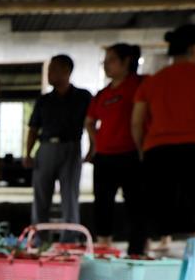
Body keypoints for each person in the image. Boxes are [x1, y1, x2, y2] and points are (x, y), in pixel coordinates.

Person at [133, 23, 195, 245]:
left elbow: (136, 123)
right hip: (193, 148)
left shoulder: (152, 81)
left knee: (148, 206)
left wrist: (142, 150)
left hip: (156, 150)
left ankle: (137, 252)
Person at [85, 44, 147, 255]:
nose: (105, 65)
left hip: (133, 154)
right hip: (104, 156)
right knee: (102, 205)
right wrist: (96, 144)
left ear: (126, 61)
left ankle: (137, 251)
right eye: (104, 61)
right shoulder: (102, 94)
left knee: (136, 205)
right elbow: (89, 121)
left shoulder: (140, 84)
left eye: (110, 60)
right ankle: (103, 248)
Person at [24, 55, 92, 240]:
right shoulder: (44, 100)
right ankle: (38, 239)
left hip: (71, 148)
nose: (49, 73)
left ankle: (70, 239)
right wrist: (28, 153)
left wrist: (93, 148)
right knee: (41, 196)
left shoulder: (83, 97)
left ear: (66, 71)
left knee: (70, 195)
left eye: (53, 69)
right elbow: (33, 129)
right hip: (46, 148)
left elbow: (91, 123)